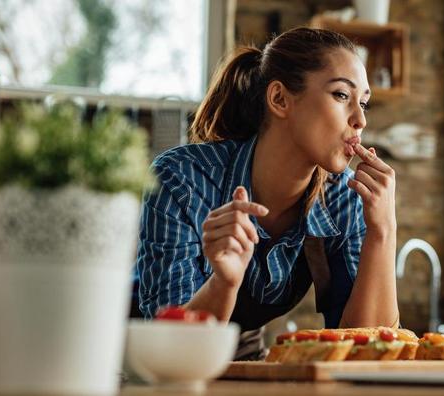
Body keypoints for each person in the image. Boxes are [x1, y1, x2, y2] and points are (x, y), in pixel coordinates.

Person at [135, 27, 399, 360]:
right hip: (143, 359)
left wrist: (384, 231)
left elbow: (367, 351)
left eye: (364, 103)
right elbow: (168, 351)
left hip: (243, 355)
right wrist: (223, 283)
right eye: (341, 95)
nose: (360, 119)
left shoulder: (344, 198)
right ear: (279, 99)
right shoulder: (182, 178)